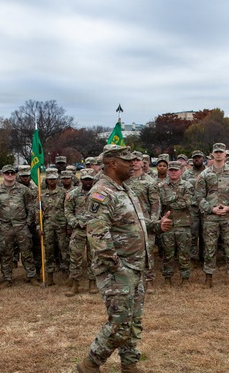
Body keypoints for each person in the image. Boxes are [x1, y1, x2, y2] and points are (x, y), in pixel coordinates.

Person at [76, 145, 172, 373]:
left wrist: (157, 226)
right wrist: (118, 268)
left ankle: (129, 365)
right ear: (112, 163)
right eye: (127, 161)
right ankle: (89, 364)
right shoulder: (101, 193)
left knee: (133, 321)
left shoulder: (124, 189)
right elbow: (98, 236)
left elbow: (135, 223)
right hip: (117, 271)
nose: (133, 164)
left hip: (135, 267)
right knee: (119, 324)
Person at [194, 143, 229, 289]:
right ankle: (208, 277)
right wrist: (211, 209)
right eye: (216, 152)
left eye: (221, 152)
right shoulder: (204, 175)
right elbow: (198, 196)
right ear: (212, 154)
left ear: (225, 155)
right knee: (210, 248)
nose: (218, 154)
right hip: (211, 217)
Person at [0, 165, 39, 286]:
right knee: (5, 253)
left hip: (21, 225)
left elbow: (31, 207)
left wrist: (28, 222)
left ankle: (31, 276)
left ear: (15, 174)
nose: (10, 175)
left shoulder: (23, 190)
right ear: (2, 174)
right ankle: (7, 278)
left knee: (27, 251)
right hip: (4, 227)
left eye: (12, 173)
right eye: (7, 173)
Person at [125, 151, 161, 294]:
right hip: (127, 223)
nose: (134, 163)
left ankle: (149, 281)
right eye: (131, 160)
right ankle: (131, 281)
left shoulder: (149, 182)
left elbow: (155, 204)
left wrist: (153, 222)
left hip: (145, 222)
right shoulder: (124, 181)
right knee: (129, 252)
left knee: (147, 253)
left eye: (137, 160)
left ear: (142, 162)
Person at [158, 161, 194, 285]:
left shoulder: (187, 185)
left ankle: (185, 278)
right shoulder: (161, 186)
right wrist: (178, 197)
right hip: (167, 224)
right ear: (168, 171)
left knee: (184, 253)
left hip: (183, 224)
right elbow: (161, 201)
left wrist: (170, 202)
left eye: (176, 170)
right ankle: (167, 278)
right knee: (167, 253)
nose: (173, 172)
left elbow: (187, 202)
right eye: (171, 170)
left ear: (181, 171)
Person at [64, 168, 96, 296]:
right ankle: (75, 284)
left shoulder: (98, 194)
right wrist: (75, 223)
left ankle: (92, 283)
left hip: (94, 230)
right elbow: (67, 211)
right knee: (75, 257)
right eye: (85, 179)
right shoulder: (73, 194)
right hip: (79, 230)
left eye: (90, 179)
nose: (88, 182)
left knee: (93, 257)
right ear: (81, 180)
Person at [36, 168, 67, 285]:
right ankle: (49, 277)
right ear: (46, 181)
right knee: (49, 251)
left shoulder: (63, 193)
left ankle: (68, 274)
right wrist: (39, 227)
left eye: (54, 179)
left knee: (64, 250)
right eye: (50, 179)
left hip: (62, 225)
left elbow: (67, 209)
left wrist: (68, 226)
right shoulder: (42, 194)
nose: (52, 181)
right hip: (48, 226)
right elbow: (37, 213)